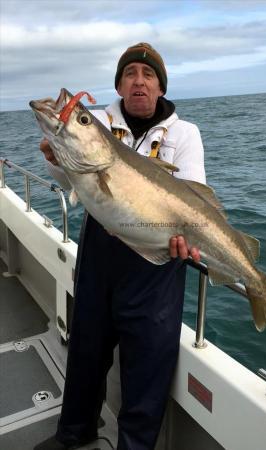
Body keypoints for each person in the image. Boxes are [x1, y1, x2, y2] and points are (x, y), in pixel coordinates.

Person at [35, 43, 206, 450]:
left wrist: (187, 239)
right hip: (100, 256)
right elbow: (74, 183)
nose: (139, 82)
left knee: (146, 369)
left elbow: (195, 198)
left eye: (148, 76)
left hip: (155, 266)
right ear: (119, 84)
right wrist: (56, 158)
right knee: (85, 353)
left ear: (161, 88)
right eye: (130, 73)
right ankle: (73, 434)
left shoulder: (184, 134)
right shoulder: (98, 122)